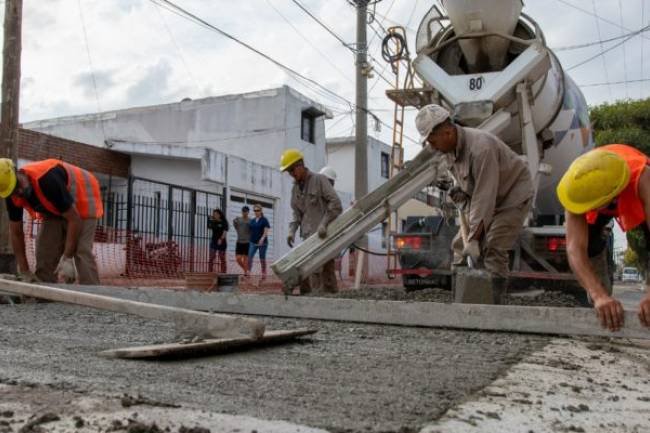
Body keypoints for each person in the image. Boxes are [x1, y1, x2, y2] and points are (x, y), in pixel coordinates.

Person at [415, 104, 534, 290]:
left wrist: (473, 239)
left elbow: (483, 196)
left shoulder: (481, 148)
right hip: (485, 199)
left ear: (447, 132)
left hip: (511, 197)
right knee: (459, 247)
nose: (432, 147)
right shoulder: (448, 151)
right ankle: (462, 296)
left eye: (433, 141)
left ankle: (492, 301)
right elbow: (468, 187)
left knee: (493, 247)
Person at [557, 144, 650, 331]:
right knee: (590, 246)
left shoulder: (644, 178)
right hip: (603, 188)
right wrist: (598, 295)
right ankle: (603, 305)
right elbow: (574, 249)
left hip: (630, 182)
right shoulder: (575, 187)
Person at [0, 158, 103, 284]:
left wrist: (67, 258)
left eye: (18, 185)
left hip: (83, 196)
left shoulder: (46, 180)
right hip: (56, 207)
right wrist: (24, 270)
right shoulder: (12, 197)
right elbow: (16, 232)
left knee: (82, 251)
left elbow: (74, 219)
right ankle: (44, 296)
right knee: (45, 250)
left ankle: (91, 295)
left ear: (19, 172)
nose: (19, 191)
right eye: (14, 191)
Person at [280, 149, 343, 294]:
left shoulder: (319, 180)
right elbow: (296, 214)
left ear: (300, 165)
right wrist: (291, 231)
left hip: (323, 236)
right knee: (308, 271)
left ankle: (328, 303)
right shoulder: (295, 189)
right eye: (288, 172)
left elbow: (336, 204)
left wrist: (324, 223)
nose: (291, 174)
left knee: (323, 272)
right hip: (308, 238)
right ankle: (308, 302)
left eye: (292, 170)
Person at [248, 204, 271, 279]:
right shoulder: (252, 220)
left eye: (258, 210)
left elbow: (266, 231)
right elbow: (249, 230)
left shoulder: (264, 220)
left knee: (262, 258)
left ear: (261, 211)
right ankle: (248, 272)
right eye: (255, 210)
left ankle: (263, 273)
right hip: (253, 242)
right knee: (249, 256)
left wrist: (262, 239)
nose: (256, 212)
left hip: (262, 243)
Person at [207, 208, 228, 273]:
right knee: (211, 257)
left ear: (219, 215)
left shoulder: (224, 222)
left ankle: (223, 272)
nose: (214, 215)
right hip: (214, 241)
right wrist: (209, 220)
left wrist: (221, 239)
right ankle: (210, 272)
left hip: (222, 242)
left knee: (222, 257)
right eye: (214, 214)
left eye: (216, 214)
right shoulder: (213, 221)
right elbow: (209, 227)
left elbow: (225, 232)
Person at [232, 205, 251, 275]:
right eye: (243, 211)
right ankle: (246, 269)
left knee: (245, 260)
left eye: (246, 211)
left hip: (247, 242)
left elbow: (253, 230)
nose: (244, 213)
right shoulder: (238, 219)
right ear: (242, 212)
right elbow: (236, 227)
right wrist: (234, 222)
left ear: (248, 212)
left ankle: (246, 273)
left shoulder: (250, 221)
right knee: (238, 259)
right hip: (239, 241)